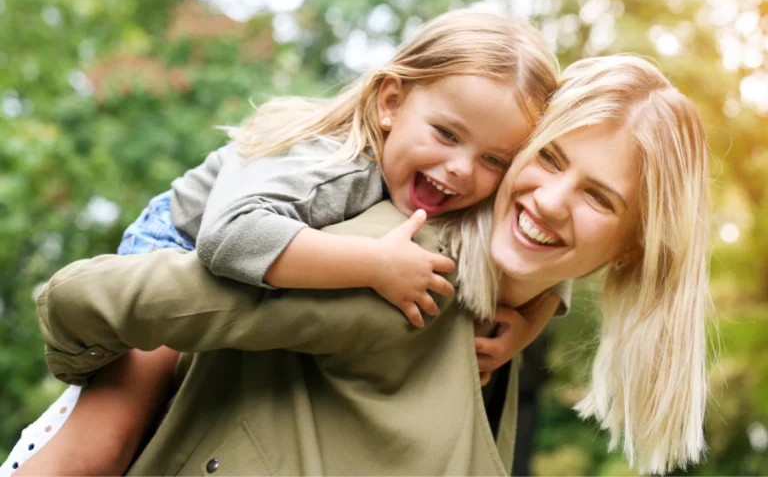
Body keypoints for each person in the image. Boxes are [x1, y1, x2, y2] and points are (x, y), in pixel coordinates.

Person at [26, 55, 711, 475]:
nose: (552, 200)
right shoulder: (398, 265)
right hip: (195, 232)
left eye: (598, 197)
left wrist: (536, 312)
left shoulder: (500, 320)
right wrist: (98, 364)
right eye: (552, 159)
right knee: (91, 452)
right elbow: (93, 295)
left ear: (630, 249)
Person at [3, 9, 566, 475]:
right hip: (182, 239)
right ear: (391, 103)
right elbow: (228, 238)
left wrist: (531, 322)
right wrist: (373, 264)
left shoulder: (456, 192)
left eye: (494, 160)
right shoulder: (330, 167)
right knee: (110, 435)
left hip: (262, 255)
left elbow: (546, 252)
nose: (462, 170)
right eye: (446, 134)